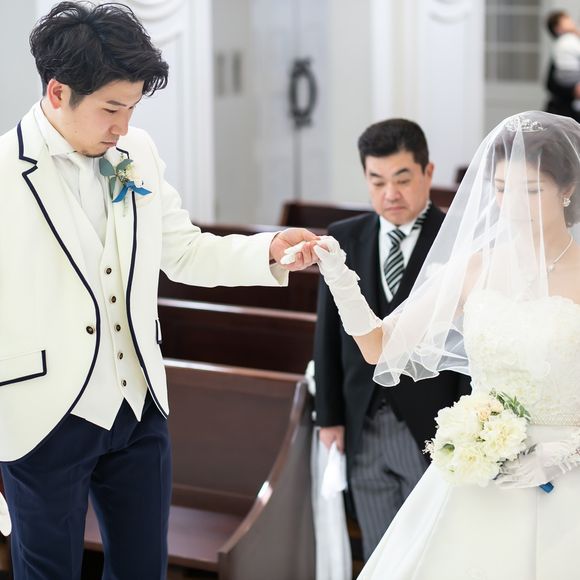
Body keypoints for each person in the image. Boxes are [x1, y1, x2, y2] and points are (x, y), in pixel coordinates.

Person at [0, 2, 318, 579]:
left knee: (145, 569)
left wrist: (267, 251)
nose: (123, 127)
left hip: (138, 404)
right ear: (57, 92)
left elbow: (184, 250)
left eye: (132, 108)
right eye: (111, 109)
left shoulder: (136, 153)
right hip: (40, 417)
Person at [314, 110, 580, 579]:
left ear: (567, 189)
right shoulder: (474, 267)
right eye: (502, 189)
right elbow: (379, 347)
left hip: (565, 474)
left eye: (531, 191)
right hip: (481, 472)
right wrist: (339, 277)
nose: (514, 206)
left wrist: (568, 451)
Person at [313, 119, 470, 560]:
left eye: (402, 179)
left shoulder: (458, 240)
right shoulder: (344, 236)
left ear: (427, 172)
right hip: (362, 422)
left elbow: (470, 343)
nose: (390, 194)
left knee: (432, 550)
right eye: (377, 181)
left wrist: (465, 430)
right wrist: (330, 417)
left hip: (432, 425)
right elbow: (328, 333)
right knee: (381, 550)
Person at [545, 10, 580, 121]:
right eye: (566, 20)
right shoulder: (565, 45)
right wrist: (573, 90)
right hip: (564, 110)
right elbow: (551, 83)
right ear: (558, 29)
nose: (571, 22)